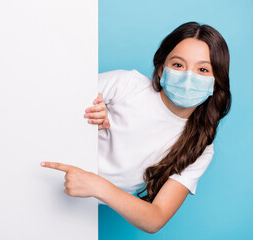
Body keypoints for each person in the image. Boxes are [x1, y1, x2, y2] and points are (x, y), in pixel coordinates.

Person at [40, 21, 232, 234]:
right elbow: (48, 104)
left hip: (76, 219)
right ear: (161, 70)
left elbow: (155, 219)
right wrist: (87, 117)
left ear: (215, 83)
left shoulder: (200, 147)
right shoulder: (126, 84)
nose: (188, 77)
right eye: (178, 65)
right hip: (38, 169)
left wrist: (98, 186)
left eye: (202, 69)